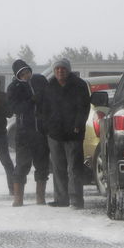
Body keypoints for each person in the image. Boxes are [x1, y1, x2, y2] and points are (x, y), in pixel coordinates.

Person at [42, 58, 90, 209]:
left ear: (68, 70)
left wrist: (78, 124)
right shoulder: (49, 86)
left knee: (74, 168)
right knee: (58, 167)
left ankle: (76, 200)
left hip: (73, 133)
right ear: (54, 71)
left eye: (63, 68)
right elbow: (43, 109)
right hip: (55, 133)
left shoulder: (79, 85)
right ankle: (61, 199)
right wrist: (47, 126)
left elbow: (84, 107)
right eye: (57, 69)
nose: (60, 71)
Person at [7, 59, 50, 207]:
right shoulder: (14, 87)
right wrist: (31, 100)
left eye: (27, 72)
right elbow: (15, 108)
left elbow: (49, 99)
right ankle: (18, 198)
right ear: (17, 75)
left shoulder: (40, 80)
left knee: (42, 165)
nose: (26, 75)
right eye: (22, 73)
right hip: (24, 133)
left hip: (41, 132)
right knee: (22, 165)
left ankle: (40, 197)